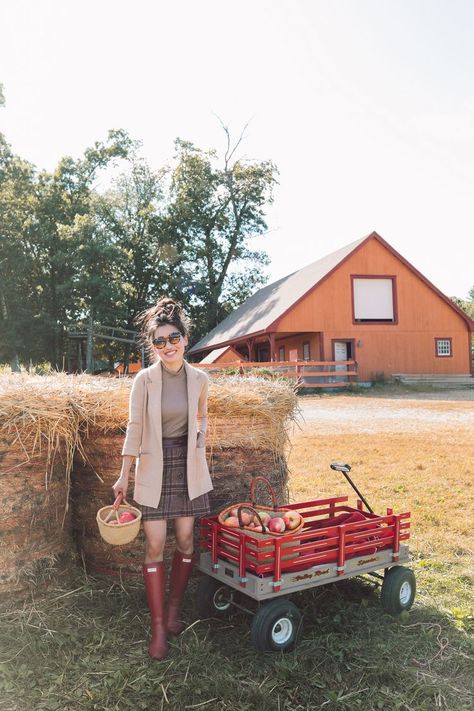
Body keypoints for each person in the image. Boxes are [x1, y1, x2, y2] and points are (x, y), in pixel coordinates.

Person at [112, 297, 213, 660]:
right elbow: (134, 429)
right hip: (155, 466)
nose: (167, 346)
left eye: (173, 338)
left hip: (187, 465)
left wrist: (199, 444)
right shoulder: (144, 380)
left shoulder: (200, 379)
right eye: (159, 341)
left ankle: (174, 610)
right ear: (152, 345)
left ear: (185, 339)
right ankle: (157, 627)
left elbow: (201, 418)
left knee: (186, 539)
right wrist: (124, 476)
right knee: (155, 545)